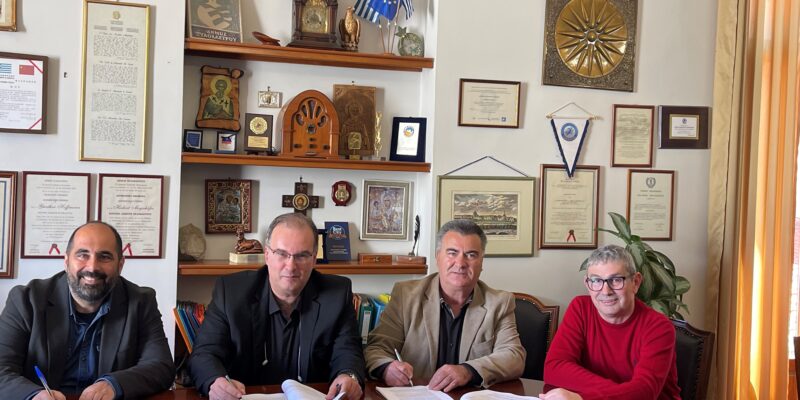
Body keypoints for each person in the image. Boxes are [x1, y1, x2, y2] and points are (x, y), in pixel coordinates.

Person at [189, 213, 365, 400]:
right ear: (267, 255)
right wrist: (215, 381)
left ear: (314, 259)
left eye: (302, 255)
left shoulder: (337, 294)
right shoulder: (231, 293)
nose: (291, 266)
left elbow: (348, 352)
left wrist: (349, 376)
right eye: (281, 254)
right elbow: (204, 354)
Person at [0, 221, 174, 400]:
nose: (92, 267)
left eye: (104, 257)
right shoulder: (26, 300)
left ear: (120, 264)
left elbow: (161, 365)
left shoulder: (141, 301)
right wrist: (34, 395)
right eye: (82, 255)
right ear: (66, 261)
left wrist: (114, 384)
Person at [365, 219, 525, 392]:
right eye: (452, 253)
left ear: (481, 262)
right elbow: (377, 348)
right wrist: (386, 368)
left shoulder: (499, 303)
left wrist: (468, 371)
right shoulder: (406, 295)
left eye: (471, 255)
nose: (461, 263)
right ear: (438, 257)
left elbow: (514, 357)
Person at [540, 245, 680, 400]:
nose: (606, 291)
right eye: (596, 280)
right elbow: (554, 368)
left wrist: (582, 399)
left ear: (636, 282)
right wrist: (624, 392)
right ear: (587, 284)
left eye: (616, 280)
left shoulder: (659, 326)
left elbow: (644, 392)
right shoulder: (580, 308)